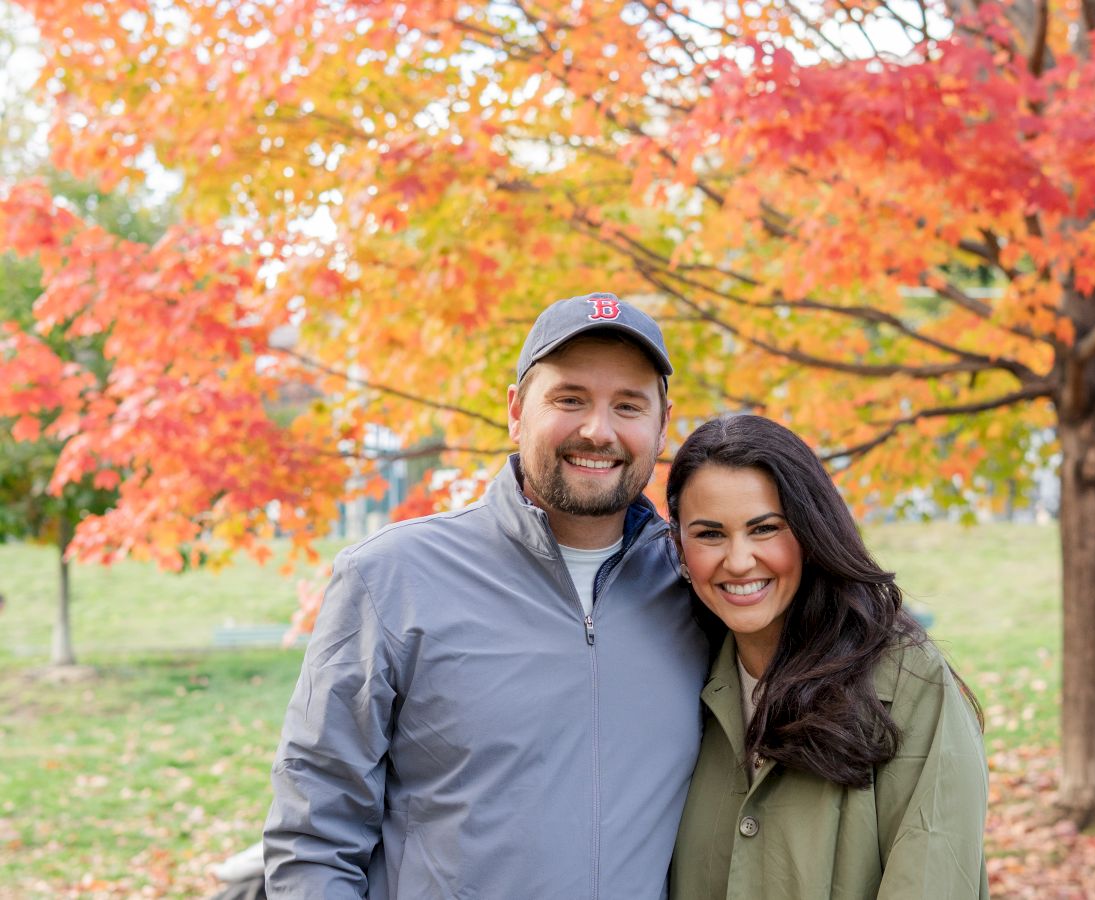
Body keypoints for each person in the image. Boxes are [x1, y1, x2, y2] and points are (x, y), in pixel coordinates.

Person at [264, 292, 709, 898]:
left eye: (627, 405)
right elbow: (314, 838)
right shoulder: (392, 579)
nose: (597, 430)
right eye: (569, 399)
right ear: (516, 411)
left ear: (662, 425)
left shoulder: (702, 586)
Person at [666, 415, 989, 900]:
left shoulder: (911, 685)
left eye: (765, 528)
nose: (737, 561)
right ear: (680, 546)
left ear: (811, 532)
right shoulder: (681, 680)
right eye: (710, 534)